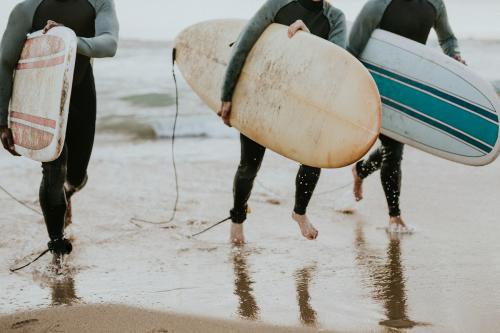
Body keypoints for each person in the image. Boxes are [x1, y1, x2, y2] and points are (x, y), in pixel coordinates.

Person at [0, 0, 119, 264]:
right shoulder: (26, 10)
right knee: (53, 170)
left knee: (75, 176)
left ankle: (68, 193)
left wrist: (67, 39)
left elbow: (109, 44)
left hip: (81, 98)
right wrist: (2, 121)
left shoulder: (99, 3)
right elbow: (5, 63)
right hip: (42, 101)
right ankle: (57, 248)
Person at [218, 0, 346, 244]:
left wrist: (308, 42)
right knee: (249, 165)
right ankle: (237, 224)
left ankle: (299, 212)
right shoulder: (278, 5)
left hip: (303, 101)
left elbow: (338, 65)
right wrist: (227, 95)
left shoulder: (335, 18)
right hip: (263, 94)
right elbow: (244, 44)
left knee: (313, 157)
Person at [348, 0, 465, 232]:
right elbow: (353, 48)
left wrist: (455, 56)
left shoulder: (435, 4)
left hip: (409, 87)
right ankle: (394, 216)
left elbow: (448, 38)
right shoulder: (378, 4)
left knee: (393, 149)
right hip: (379, 85)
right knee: (393, 151)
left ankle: (360, 170)